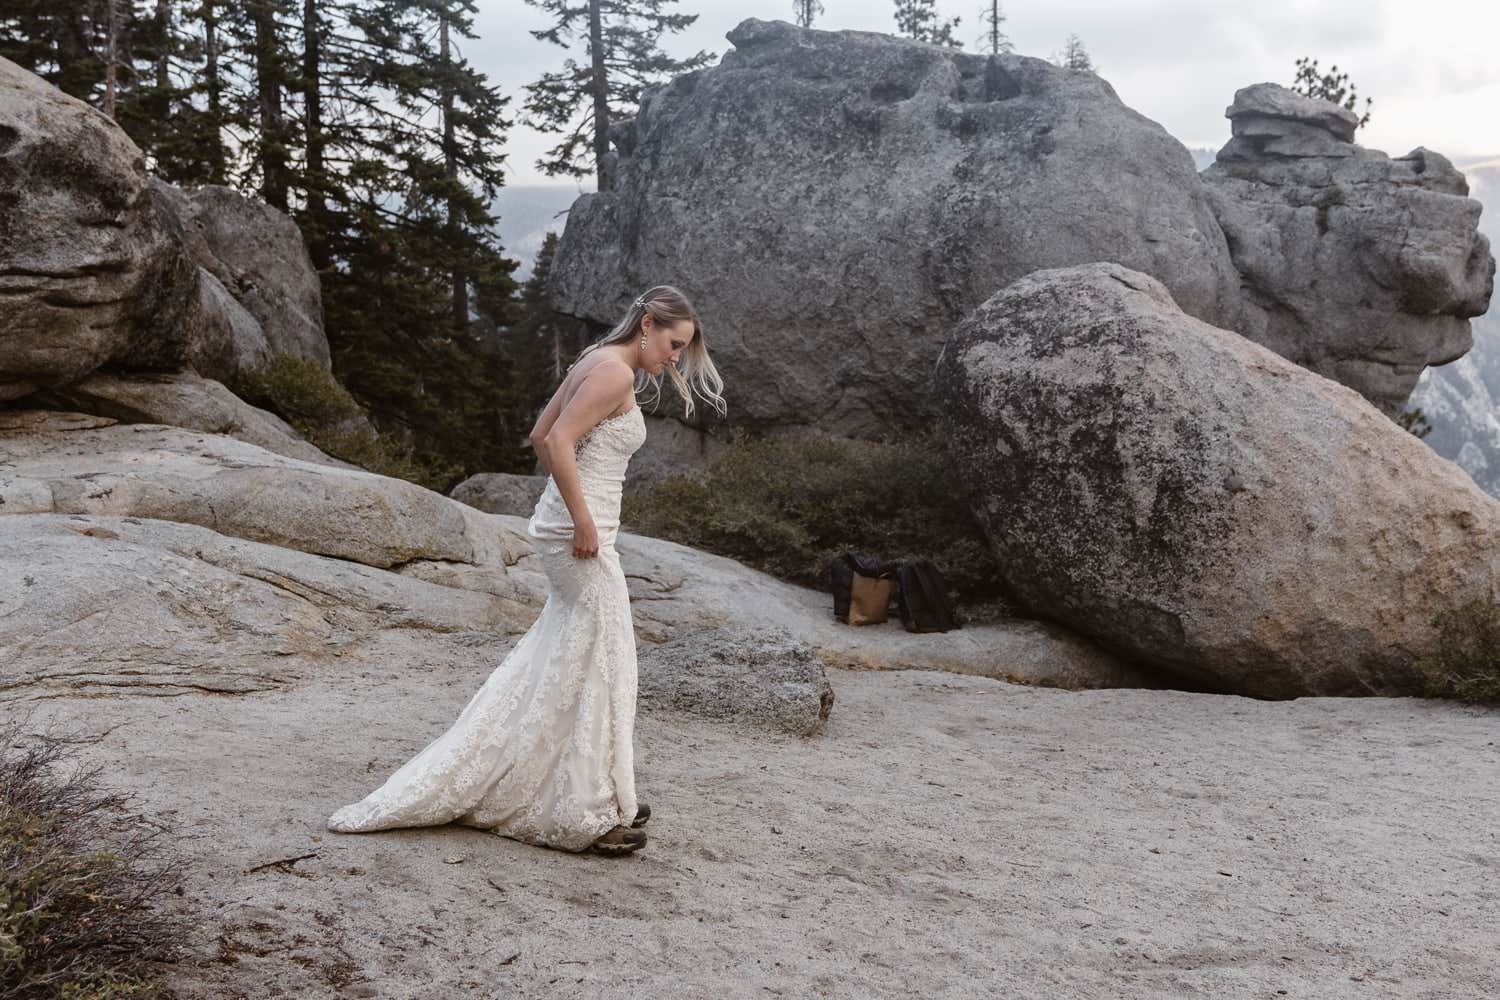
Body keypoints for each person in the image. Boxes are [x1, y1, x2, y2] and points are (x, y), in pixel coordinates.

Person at [326, 286, 726, 856]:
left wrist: (577, 514)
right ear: (646, 323)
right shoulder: (614, 374)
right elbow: (559, 439)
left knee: (577, 651)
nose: (673, 358)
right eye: (672, 343)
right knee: (603, 659)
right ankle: (584, 812)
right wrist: (584, 520)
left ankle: (603, 789)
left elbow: (540, 434)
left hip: (567, 526)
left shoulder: (597, 359)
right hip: (579, 535)